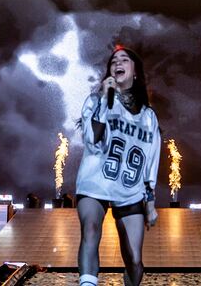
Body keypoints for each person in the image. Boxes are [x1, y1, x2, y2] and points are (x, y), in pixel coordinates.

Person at [76, 46, 161, 286]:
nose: (118, 63)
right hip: (96, 181)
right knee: (91, 230)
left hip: (130, 189)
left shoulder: (148, 116)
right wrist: (104, 99)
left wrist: (151, 201)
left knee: (134, 260)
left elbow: (151, 158)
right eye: (114, 61)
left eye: (124, 59)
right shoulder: (95, 100)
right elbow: (92, 140)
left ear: (135, 72)